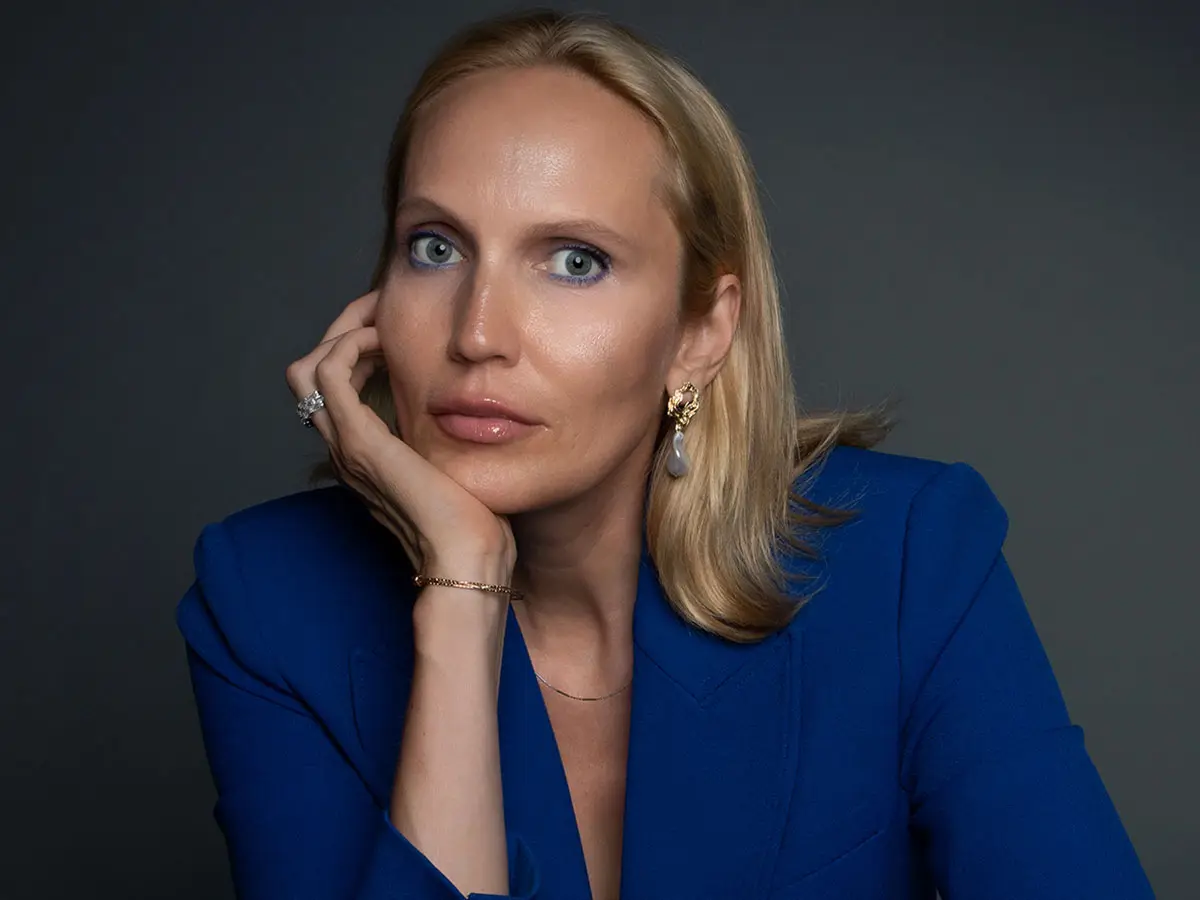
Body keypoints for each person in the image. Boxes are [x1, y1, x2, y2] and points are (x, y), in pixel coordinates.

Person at [175, 9, 1155, 900]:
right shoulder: (268, 600)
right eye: (436, 247)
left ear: (700, 332)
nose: (477, 334)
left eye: (575, 262)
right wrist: (462, 586)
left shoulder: (908, 563)